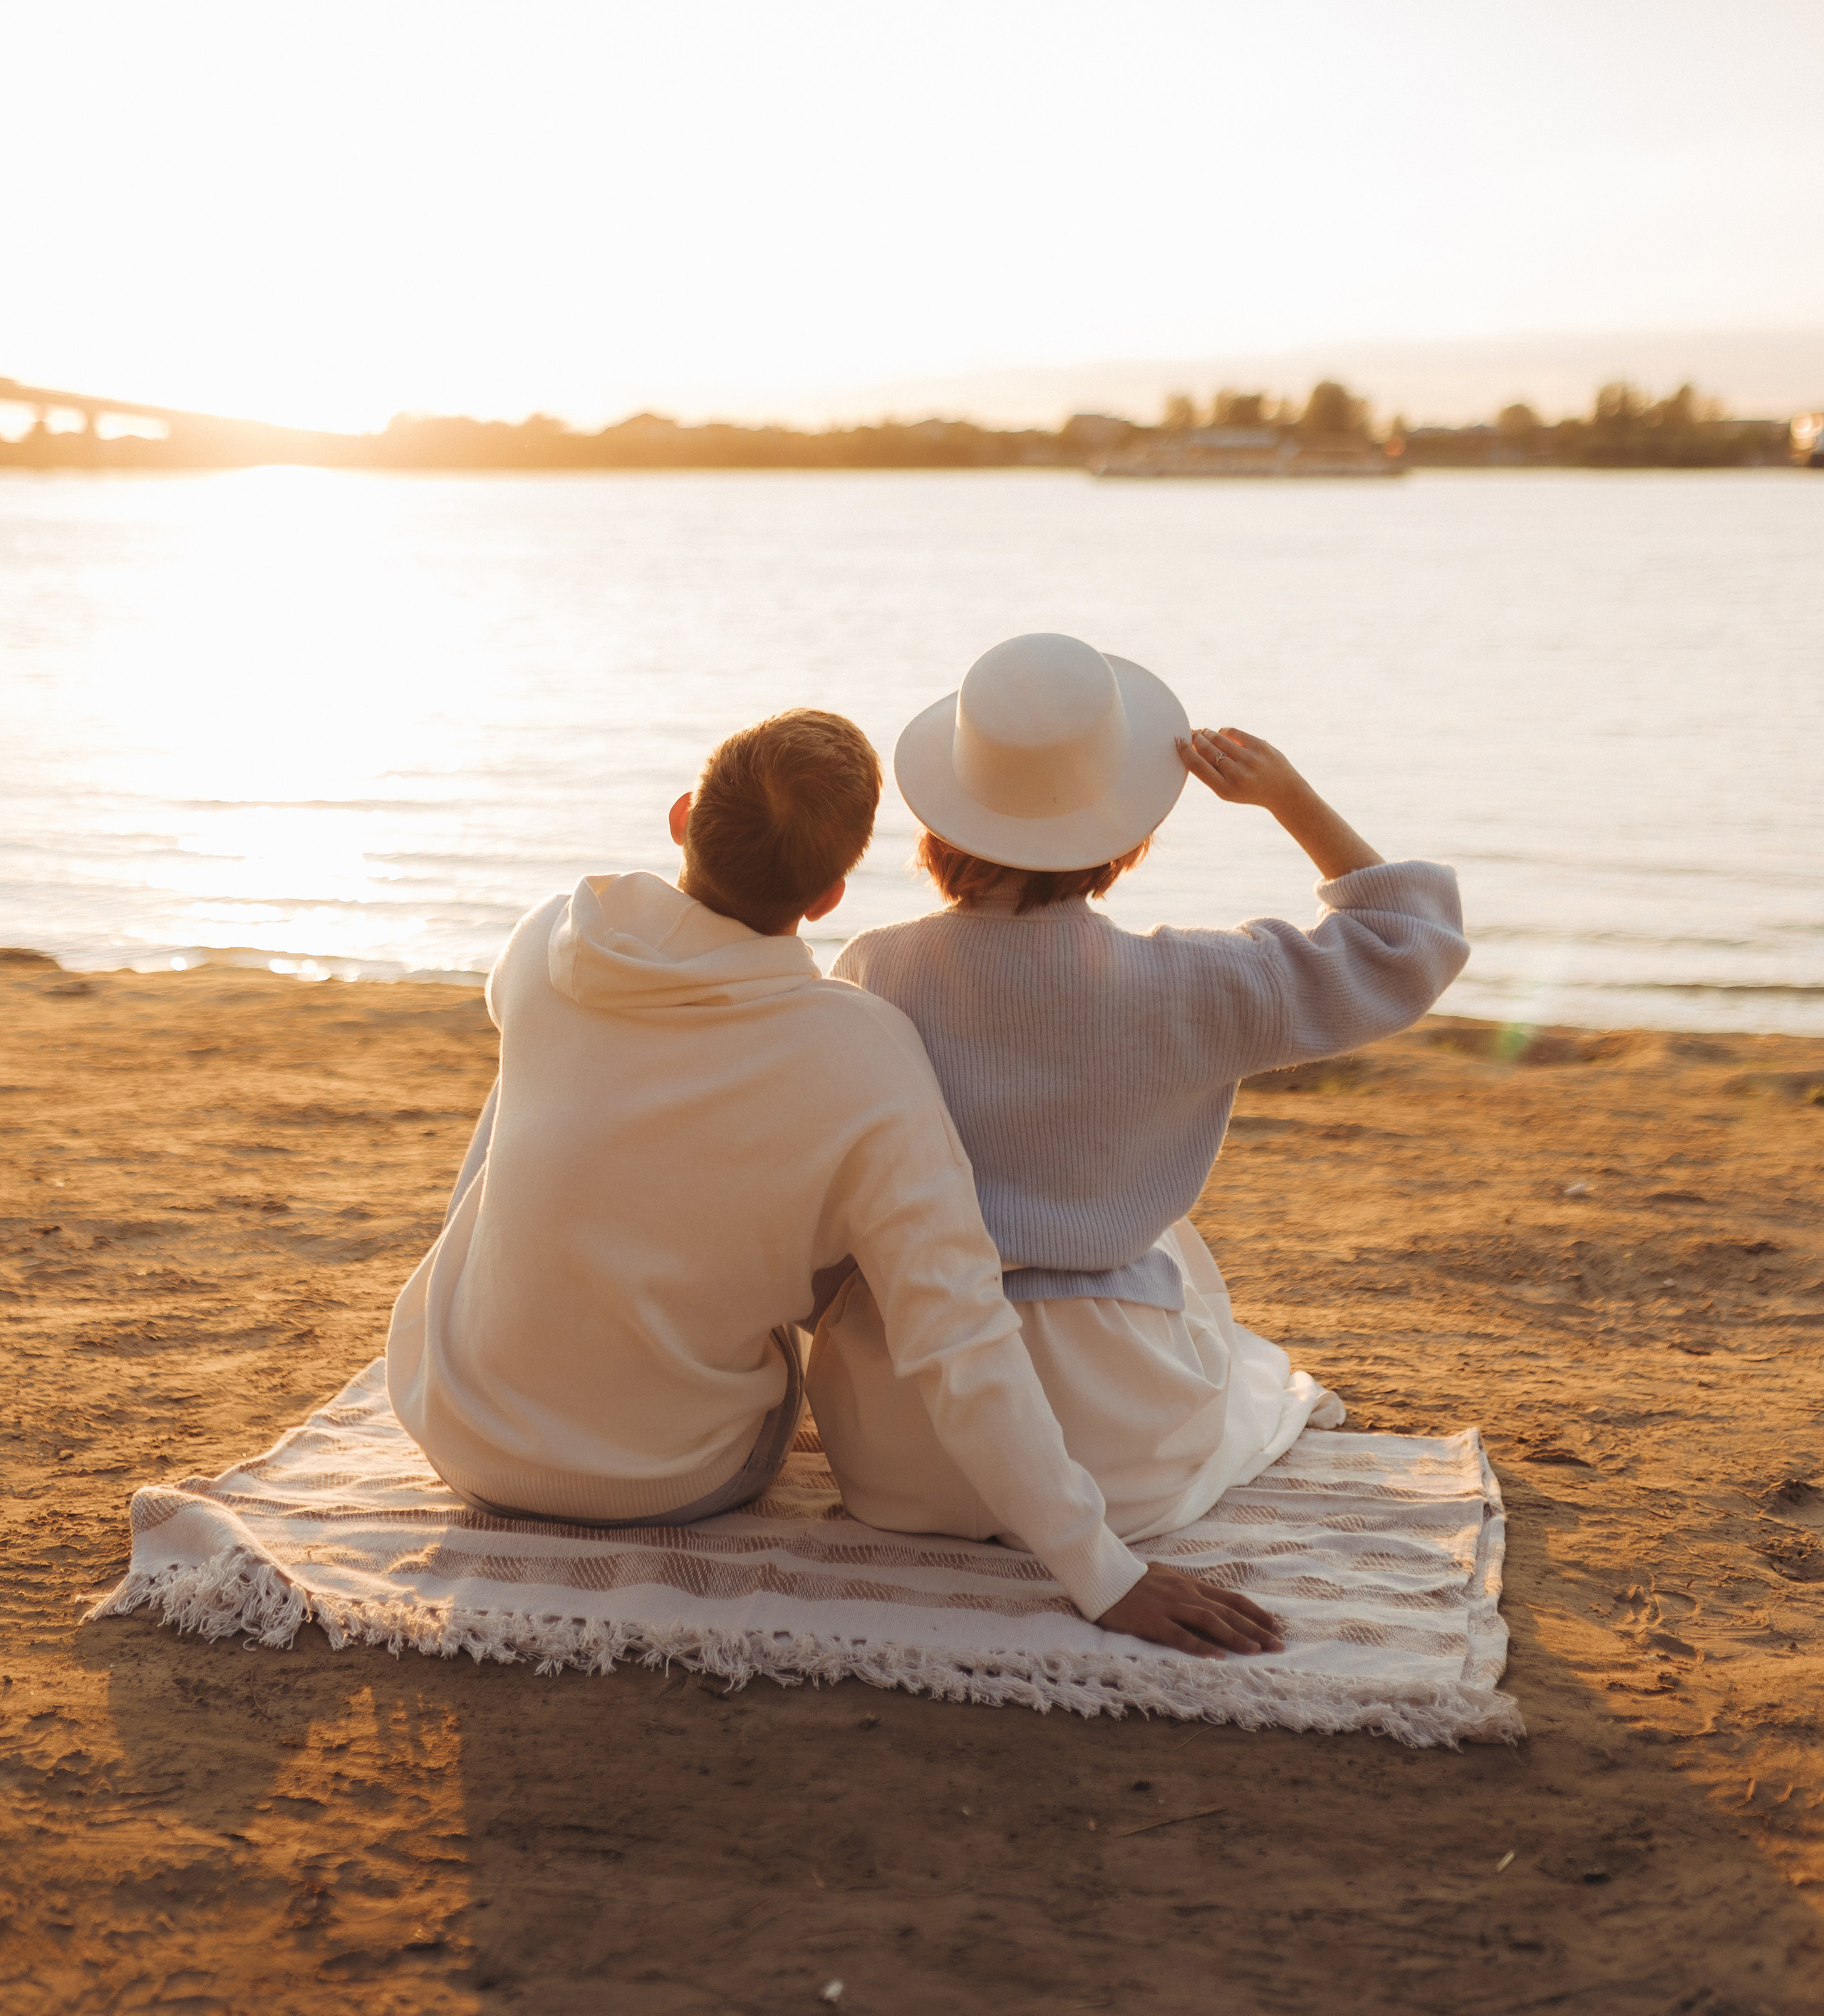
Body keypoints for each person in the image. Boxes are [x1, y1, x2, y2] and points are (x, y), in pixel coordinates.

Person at [385, 705, 1282, 1658]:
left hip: (460, 1430)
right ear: (828, 899)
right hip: (671, 1477)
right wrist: (1104, 1570)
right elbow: (959, 1333)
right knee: (850, 1215)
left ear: (684, 815)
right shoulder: (859, 1052)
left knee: (534, 1065)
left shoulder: (546, 939)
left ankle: (517, 1346)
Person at [807, 634, 1470, 1548]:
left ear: (942, 819)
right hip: (1115, 1455)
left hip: (904, 1437)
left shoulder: (874, 964)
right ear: (1126, 834)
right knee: (1183, 1262)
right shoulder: (1195, 981)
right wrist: (1287, 796)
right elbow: (1408, 943)